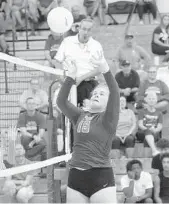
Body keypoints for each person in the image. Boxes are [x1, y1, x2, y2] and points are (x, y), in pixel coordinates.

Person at [57, 54, 120, 202]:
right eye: (95, 93)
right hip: (76, 177)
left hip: (100, 176)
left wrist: (105, 69)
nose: (96, 95)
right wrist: (70, 77)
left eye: (102, 94)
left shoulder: (108, 118)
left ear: (108, 101)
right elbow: (60, 102)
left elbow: (115, 91)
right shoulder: (80, 115)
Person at [55, 18, 103, 107]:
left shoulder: (96, 46)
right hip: (68, 82)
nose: (86, 32)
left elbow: (100, 68)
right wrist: (62, 79)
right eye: (84, 29)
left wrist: (81, 78)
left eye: (89, 30)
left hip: (88, 83)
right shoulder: (67, 42)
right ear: (79, 28)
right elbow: (57, 62)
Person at [137, 91, 163, 157]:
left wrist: (155, 130)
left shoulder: (159, 113)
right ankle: (154, 150)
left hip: (154, 132)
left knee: (152, 135)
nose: (151, 100)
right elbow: (140, 124)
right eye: (150, 99)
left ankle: (153, 151)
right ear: (147, 100)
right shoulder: (141, 112)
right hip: (142, 132)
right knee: (148, 131)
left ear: (156, 100)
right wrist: (147, 129)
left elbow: (160, 126)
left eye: (153, 99)